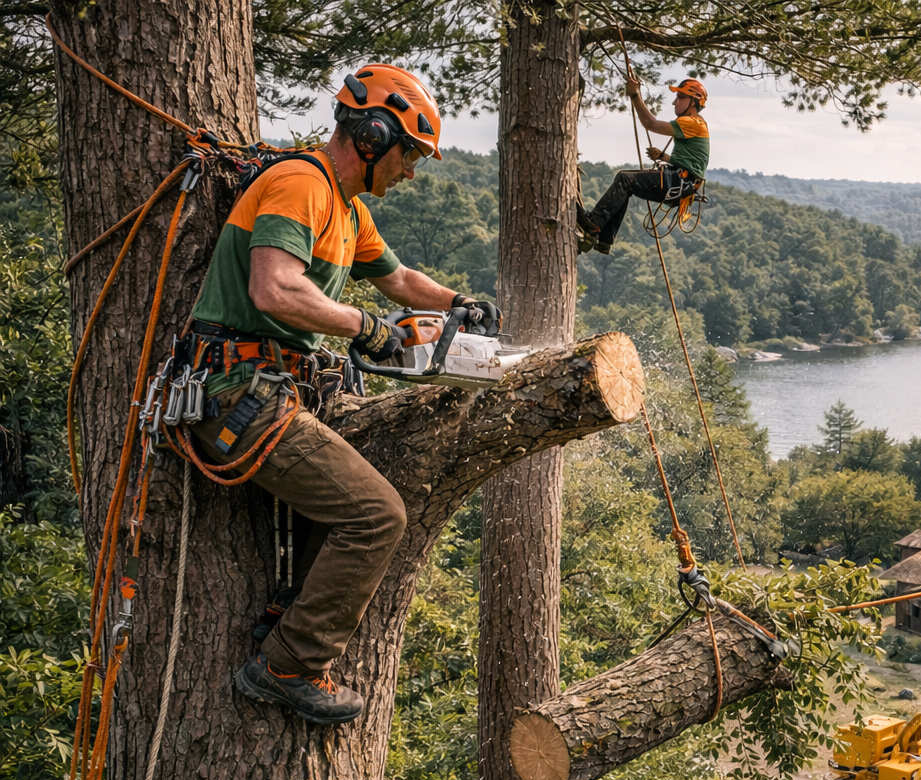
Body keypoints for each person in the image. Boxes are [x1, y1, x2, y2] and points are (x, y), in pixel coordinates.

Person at [186, 64, 500, 726]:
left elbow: (398, 278)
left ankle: (291, 608)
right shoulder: (301, 184)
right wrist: (366, 329)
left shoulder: (346, 208)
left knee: (372, 474)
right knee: (377, 515)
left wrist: (458, 305)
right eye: (408, 154)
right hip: (237, 388)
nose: (410, 171)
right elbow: (274, 289)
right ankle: (288, 663)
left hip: (280, 387)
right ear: (373, 134)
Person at [576, 75, 709, 254]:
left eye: (680, 97)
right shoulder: (697, 125)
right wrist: (664, 156)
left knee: (625, 179)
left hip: (679, 181)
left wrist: (635, 96)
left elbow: (650, 124)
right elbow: (693, 163)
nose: (675, 102)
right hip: (682, 182)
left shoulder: (691, 123)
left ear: (693, 102)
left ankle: (594, 223)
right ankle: (605, 238)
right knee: (627, 185)